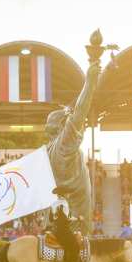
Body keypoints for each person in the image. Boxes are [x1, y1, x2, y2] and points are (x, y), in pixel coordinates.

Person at [45, 61, 100, 236]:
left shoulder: (49, 150)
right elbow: (80, 111)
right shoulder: (64, 145)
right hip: (76, 220)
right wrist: (90, 83)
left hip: (64, 216)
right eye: (69, 121)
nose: (78, 125)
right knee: (81, 260)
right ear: (62, 126)